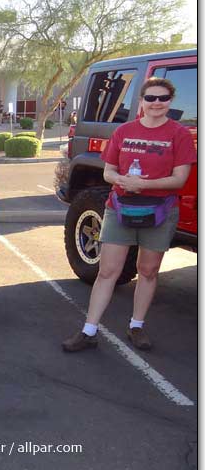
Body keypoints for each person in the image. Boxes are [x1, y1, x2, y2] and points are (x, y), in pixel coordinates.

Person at [62, 77, 196, 352]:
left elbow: (180, 178)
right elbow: (108, 170)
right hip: (119, 208)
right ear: (142, 101)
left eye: (162, 98)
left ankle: (136, 326)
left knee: (148, 271)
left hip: (160, 212)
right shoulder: (123, 132)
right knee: (108, 270)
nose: (156, 103)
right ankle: (88, 331)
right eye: (151, 98)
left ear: (170, 102)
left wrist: (143, 184)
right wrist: (122, 180)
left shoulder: (179, 134)